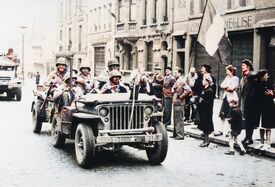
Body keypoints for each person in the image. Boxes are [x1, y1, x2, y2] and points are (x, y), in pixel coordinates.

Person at [254, 69, 275, 151]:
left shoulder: (269, 84)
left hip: (268, 106)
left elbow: (273, 93)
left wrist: (272, 94)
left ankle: (268, 142)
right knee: (261, 125)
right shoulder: (258, 84)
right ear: (261, 76)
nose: (267, 76)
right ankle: (262, 141)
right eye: (265, 75)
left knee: (267, 125)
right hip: (260, 107)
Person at [215, 65, 239, 137]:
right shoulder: (227, 77)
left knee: (229, 115)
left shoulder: (235, 78)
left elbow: (232, 88)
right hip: (225, 97)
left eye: (227, 70)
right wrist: (227, 87)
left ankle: (229, 131)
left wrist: (228, 87)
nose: (226, 71)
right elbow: (222, 85)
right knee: (222, 114)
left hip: (231, 98)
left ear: (231, 71)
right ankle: (221, 130)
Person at [239, 59, 259, 145]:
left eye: (243, 66)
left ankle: (249, 138)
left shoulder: (252, 76)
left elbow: (255, 89)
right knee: (247, 120)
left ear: (248, 67)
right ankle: (247, 137)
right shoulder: (244, 77)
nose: (242, 67)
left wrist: (251, 98)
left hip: (251, 102)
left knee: (250, 120)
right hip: (245, 100)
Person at [172, 68, 192, 139]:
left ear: (180, 73)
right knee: (175, 118)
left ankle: (180, 135)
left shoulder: (182, 81)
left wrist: (181, 96)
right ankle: (175, 133)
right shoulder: (177, 80)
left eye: (176, 73)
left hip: (179, 102)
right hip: (176, 102)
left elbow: (189, 90)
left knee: (179, 119)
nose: (174, 74)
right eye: (174, 73)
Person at [198, 74, 215, 147]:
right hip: (203, 110)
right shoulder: (204, 89)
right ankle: (205, 140)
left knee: (206, 126)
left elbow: (209, 102)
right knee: (203, 125)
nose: (202, 81)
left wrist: (201, 100)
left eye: (204, 80)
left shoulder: (209, 90)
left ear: (207, 81)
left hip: (207, 111)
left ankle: (206, 141)